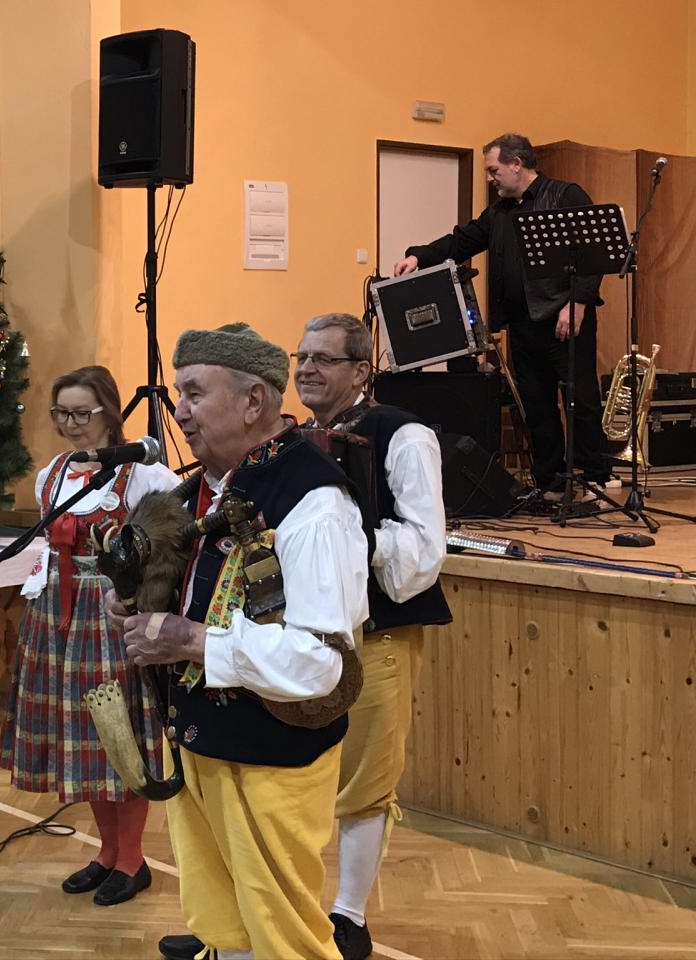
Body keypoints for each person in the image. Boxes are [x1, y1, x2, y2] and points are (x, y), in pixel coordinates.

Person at [123, 323, 369, 960]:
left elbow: (320, 664)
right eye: (180, 393)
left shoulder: (313, 503)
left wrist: (191, 640)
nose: (179, 412)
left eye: (195, 394)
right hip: (201, 742)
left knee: (285, 939)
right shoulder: (208, 486)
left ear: (253, 401)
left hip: (270, 758)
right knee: (224, 924)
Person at [296, 313, 451, 960]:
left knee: (366, 776)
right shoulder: (295, 438)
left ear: (361, 370)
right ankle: (288, 907)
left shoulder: (403, 433)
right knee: (297, 774)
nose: (306, 369)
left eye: (323, 359)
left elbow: (426, 549)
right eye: (301, 357)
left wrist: (350, 539)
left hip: (378, 631)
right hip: (306, 633)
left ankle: (350, 915)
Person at [0, 365, 178, 906]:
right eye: (62, 413)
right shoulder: (52, 474)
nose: (70, 424)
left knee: (119, 732)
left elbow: (174, 547)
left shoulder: (145, 476)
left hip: (111, 613)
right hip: (57, 611)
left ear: (110, 413)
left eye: (82, 413)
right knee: (86, 738)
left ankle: (133, 859)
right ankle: (107, 852)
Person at [393, 132, 609, 494]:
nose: (490, 178)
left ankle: (595, 476)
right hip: (523, 323)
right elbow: (462, 241)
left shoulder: (565, 196)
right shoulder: (499, 212)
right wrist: (419, 256)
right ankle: (550, 480)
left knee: (580, 399)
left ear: (517, 164)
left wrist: (578, 302)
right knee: (537, 404)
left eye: (494, 170)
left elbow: (593, 252)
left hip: (563, 318)